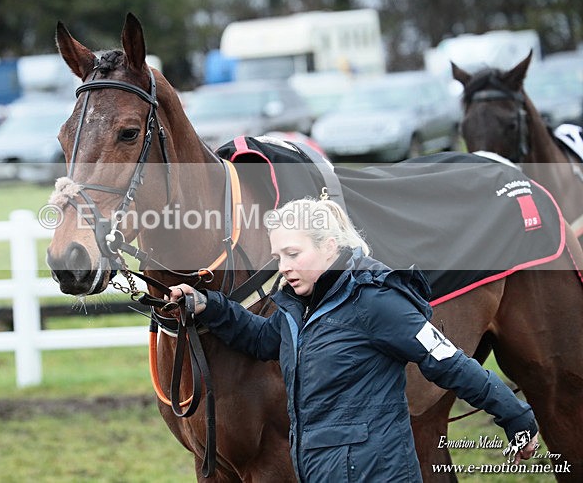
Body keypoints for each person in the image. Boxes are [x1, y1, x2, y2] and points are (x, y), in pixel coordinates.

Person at [168, 197, 539, 482]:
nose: (284, 267)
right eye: (279, 256)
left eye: (293, 254)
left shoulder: (376, 300)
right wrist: (209, 306)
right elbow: (263, 339)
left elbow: (449, 362)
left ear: (329, 247)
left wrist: (517, 418)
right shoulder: (299, 308)